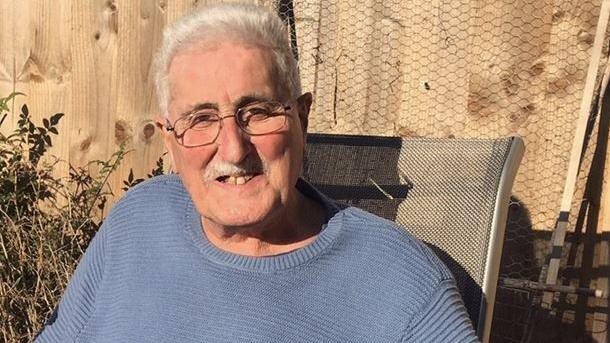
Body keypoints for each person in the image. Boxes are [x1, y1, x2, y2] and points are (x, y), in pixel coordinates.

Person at [35, 3, 478, 342]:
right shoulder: (135, 222)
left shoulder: (398, 283)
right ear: (169, 140)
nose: (232, 148)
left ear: (302, 119)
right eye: (201, 119)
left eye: (257, 111)